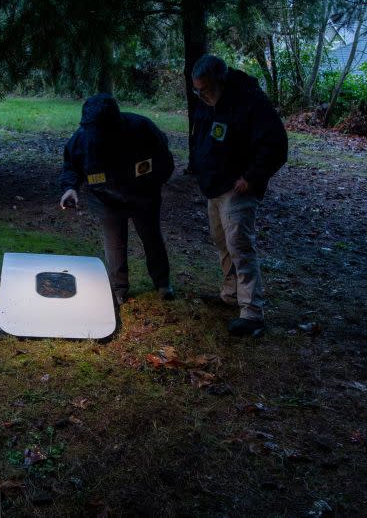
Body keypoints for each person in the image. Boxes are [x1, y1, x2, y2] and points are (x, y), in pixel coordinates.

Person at [187, 54, 288, 336]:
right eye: (197, 90)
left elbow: (276, 144)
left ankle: (252, 312)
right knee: (222, 242)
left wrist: (252, 177)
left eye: (205, 89)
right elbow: (200, 135)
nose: (201, 95)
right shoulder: (206, 102)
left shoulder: (251, 102)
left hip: (236, 188)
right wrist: (198, 167)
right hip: (214, 186)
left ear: (220, 81)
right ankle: (231, 294)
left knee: (240, 246)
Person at [59, 93, 175, 306]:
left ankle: (162, 283)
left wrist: (153, 183)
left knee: (151, 238)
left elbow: (164, 161)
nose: (98, 136)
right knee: (114, 243)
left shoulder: (142, 129)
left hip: (143, 197)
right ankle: (119, 289)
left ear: (115, 123)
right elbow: (71, 166)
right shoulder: (82, 138)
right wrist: (70, 188)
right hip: (105, 198)